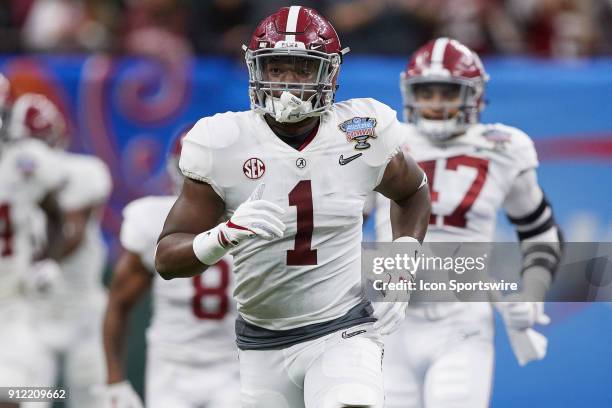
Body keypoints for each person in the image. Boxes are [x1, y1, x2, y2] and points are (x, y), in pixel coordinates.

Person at [155, 6, 431, 408]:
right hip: (262, 342)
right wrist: (224, 235)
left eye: (301, 69)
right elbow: (167, 258)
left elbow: (413, 191)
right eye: (277, 68)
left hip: (343, 328)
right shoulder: (222, 142)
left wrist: (403, 262)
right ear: (255, 68)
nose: (287, 83)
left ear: (330, 74)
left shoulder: (360, 132)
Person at [375, 37, 563, 408]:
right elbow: (342, 226)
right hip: (387, 317)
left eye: (447, 92)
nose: (436, 104)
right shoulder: (384, 142)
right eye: (426, 93)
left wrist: (533, 291)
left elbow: (540, 230)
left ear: (473, 95)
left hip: (460, 320)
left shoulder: (505, 147)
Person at [102, 128, 240, 408]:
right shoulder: (152, 220)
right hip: (172, 365)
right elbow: (119, 303)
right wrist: (114, 380)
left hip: (236, 364)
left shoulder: (252, 220)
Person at [12, 93, 112, 408]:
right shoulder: (9, 176)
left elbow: (71, 233)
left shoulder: (84, 173)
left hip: (84, 314)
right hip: (34, 314)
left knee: (88, 401)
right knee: (29, 397)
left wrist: (41, 261)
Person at [0, 80, 66, 408]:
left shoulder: (25, 160)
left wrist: (47, 260)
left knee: (18, 393)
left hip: (13, 300)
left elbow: (55, 214)